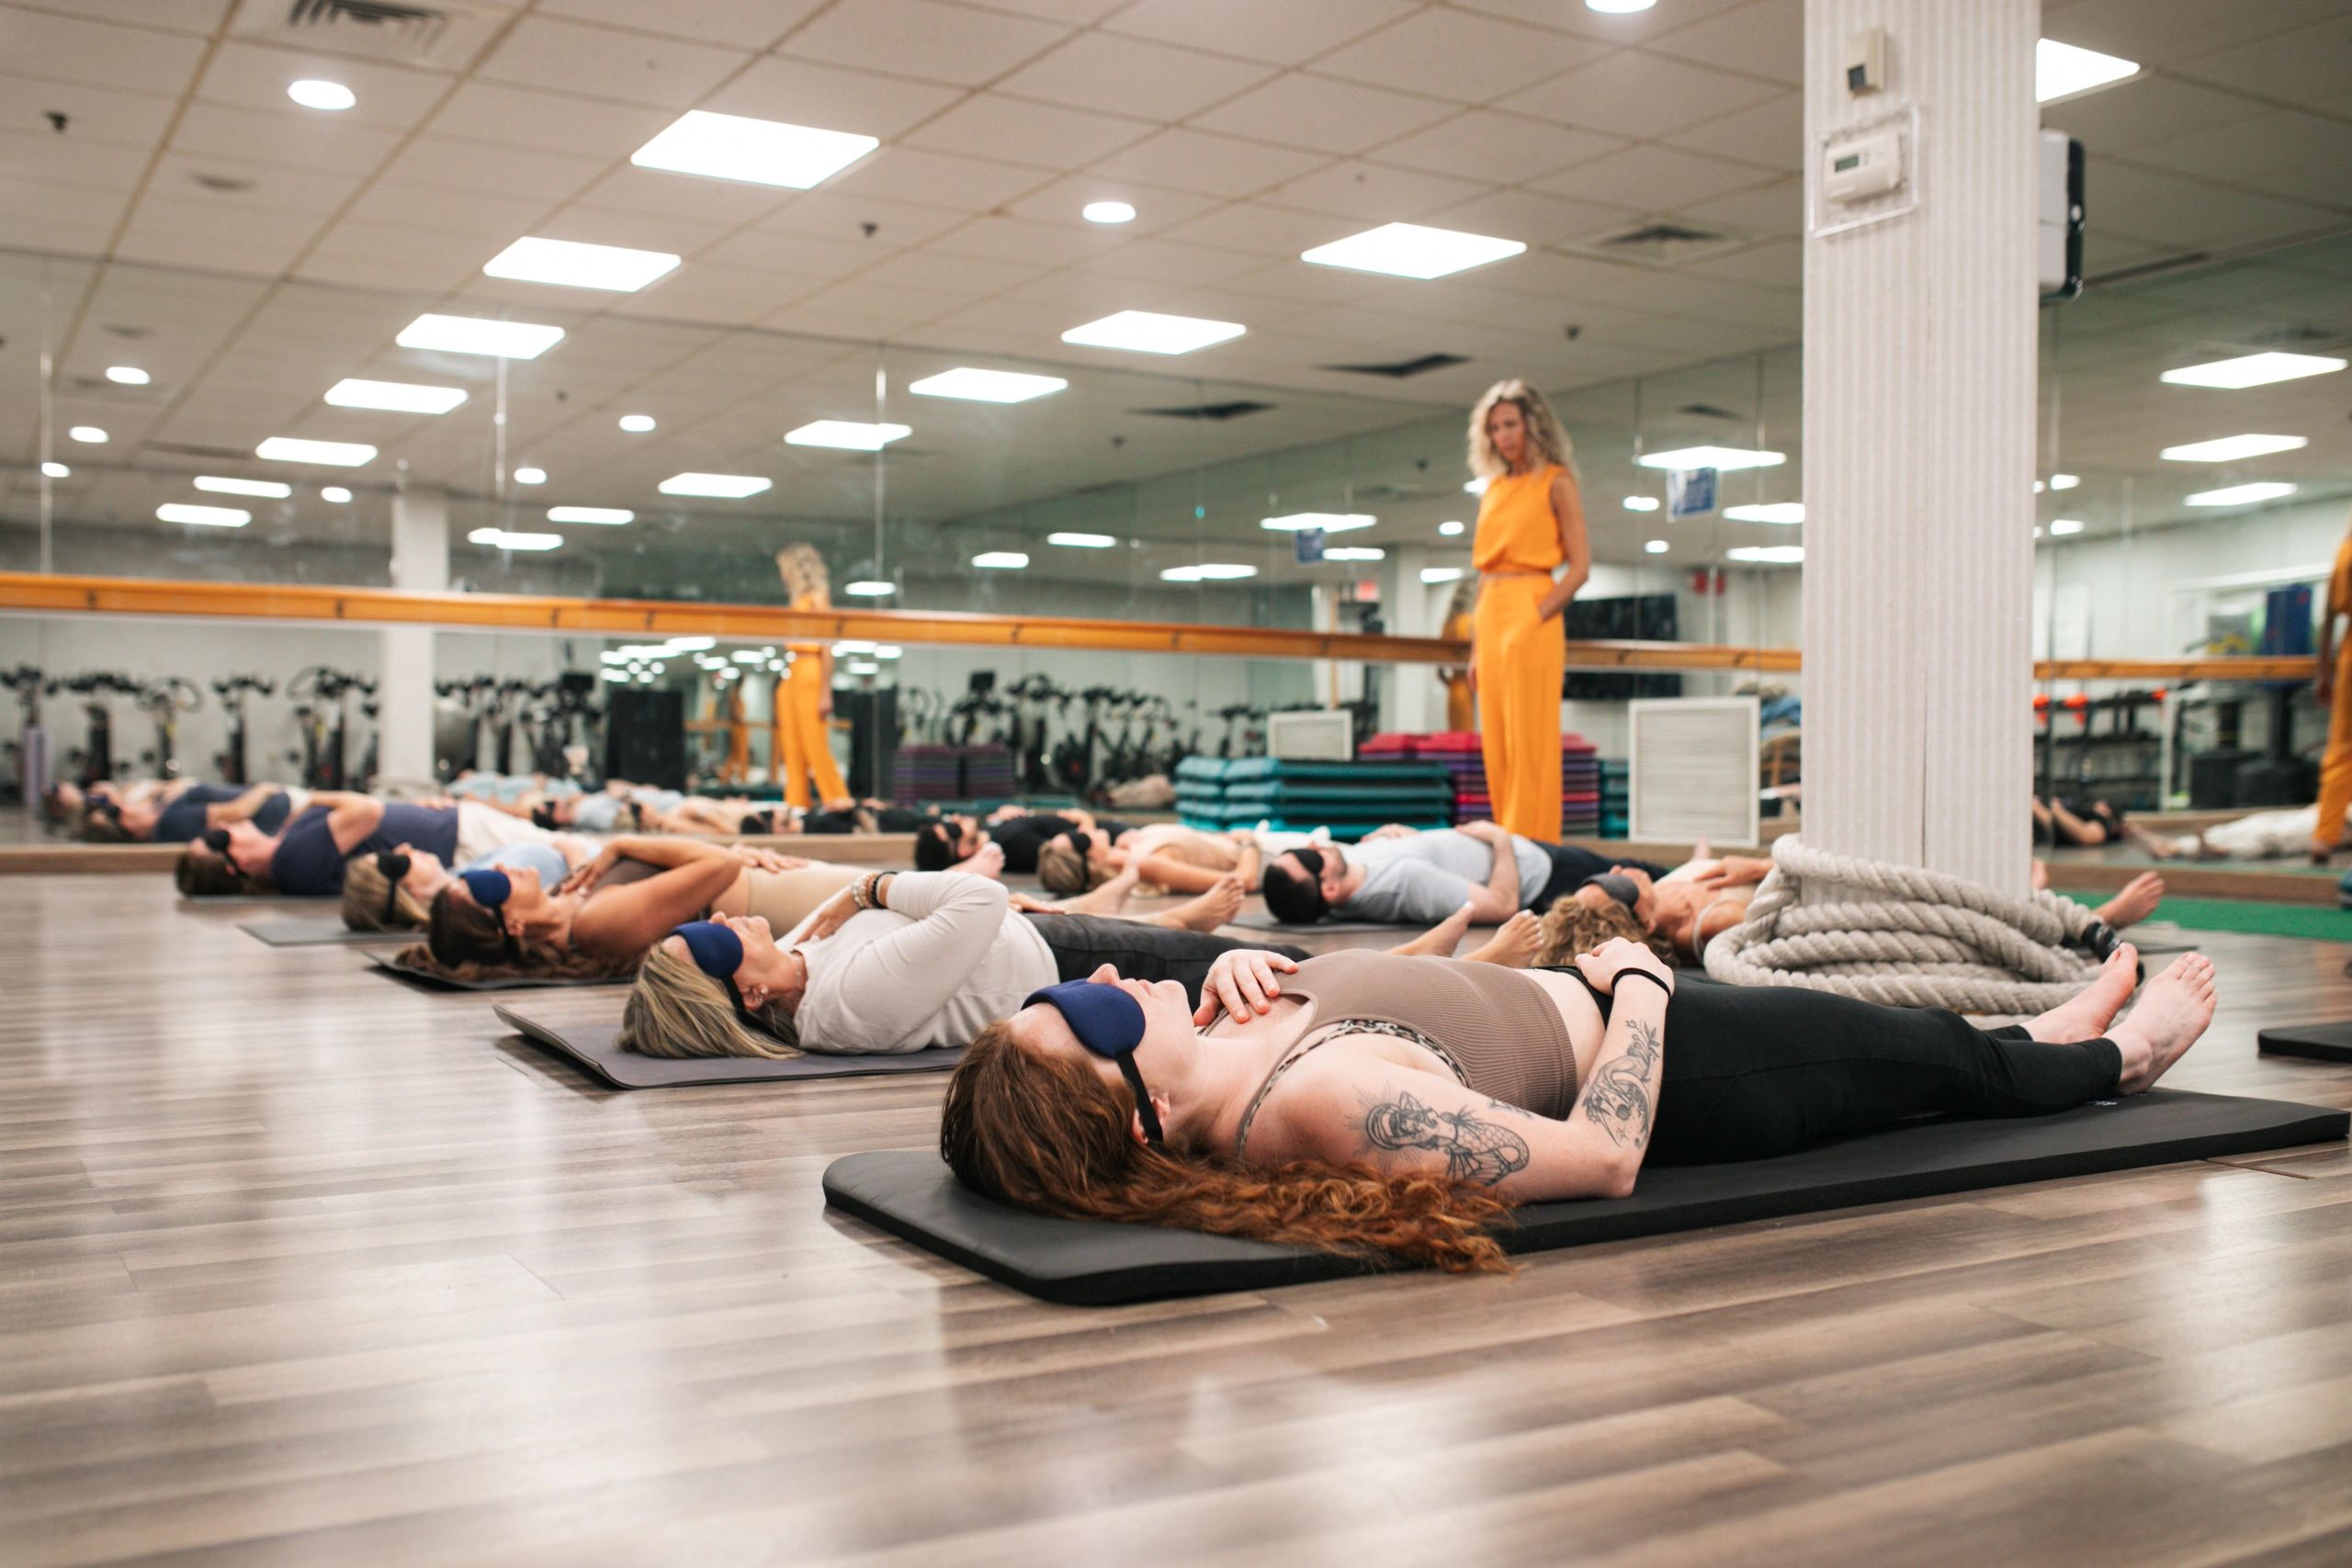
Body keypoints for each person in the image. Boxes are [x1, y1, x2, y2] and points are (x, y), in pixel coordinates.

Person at [938, 934, 2217, 1272]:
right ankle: (2117, 1061)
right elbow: (1605, 1155)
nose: (1107, 978)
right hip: (1695, 1065)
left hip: (1642, 1008)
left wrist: (1242, 981)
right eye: (1096, 1016)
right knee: (1932, 1068)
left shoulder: (1223, 1036)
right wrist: (1649, 989)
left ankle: (2035, 1033)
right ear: (1139, 1112)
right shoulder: (1322, 1104)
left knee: (1932, 1045)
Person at [617, 869, 1543, 1062]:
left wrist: (841, 912)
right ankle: (1473, 970)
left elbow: (955, 914)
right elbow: (973, 900)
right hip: (1072, 958)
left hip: (1040, 939)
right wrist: (867, 886)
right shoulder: (844, 1000)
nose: (725, 920)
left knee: (1271, 961)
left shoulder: (805, 975)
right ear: (742, 992)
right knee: (1274, 972)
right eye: (711, 940)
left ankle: (1422, 959)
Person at [1466, 379, 1589, 842]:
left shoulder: (1556, 481)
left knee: (1529, 739)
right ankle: (1504, 840)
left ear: (1533, 425)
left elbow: (1579, 568)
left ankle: (1532, 846)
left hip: (1530, 607)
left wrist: (1536, 615)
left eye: (1512, 424)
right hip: (1491, 610)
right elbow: (1484, 570)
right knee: (1496, 741)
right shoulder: (1494, 488)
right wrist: (1477, 647)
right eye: (1496, 428)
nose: (1504, 436)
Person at [1261, 822, 1669, 928]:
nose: (1316, 846)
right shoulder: (1407, 885)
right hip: (1546, 874)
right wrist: (1500, 840)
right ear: (1329, 888)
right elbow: (1502, 905)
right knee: (1657, 882)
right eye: (1310, 858)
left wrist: (1400, 839)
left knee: (1649, 871)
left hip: (1536, 856)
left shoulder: (1353, 870)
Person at [173, 791, 535, 897]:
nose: (223, 825)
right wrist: (314, 799)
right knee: (571, 849)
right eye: (218, 838)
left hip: (456, 830)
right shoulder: (292, 859)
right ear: (236, 863)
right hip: (462, 837)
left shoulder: (290, 853)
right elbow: (366, 811)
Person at [339, 831, 590, 932]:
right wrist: (574, 852)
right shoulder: (488, 894)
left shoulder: (463, 871)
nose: (404, 849)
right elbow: (567, 905)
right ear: (409, 894)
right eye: (396, 864)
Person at [775, 544, 854, 814]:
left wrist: (825, 691)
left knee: (814, 744)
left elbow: (827, 645)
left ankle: (838, 802)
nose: (783, 576)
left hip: (810, 670)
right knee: (792, 745)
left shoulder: (817, 596)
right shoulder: (798, 599)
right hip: (792, 671)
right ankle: (796, 804)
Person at [1036, 823, 1264, 898]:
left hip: (1251, 842)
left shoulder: (1129, 846)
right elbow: (1244, 881)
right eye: (1082, 837)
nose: (1087, 829)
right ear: (1091, 858)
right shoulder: (1147, 865)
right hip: (1264, 855)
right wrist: (1248, 841)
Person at [913, 807, 1135, 876]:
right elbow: (1071, 851)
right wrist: (1086, 820)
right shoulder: (1013, 845)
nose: (957, 818)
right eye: (953, 828)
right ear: (960, 850)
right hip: (1119, 837)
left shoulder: (993, 828)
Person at [79, 779, 300, 843]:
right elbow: (236, 813)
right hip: (285, 808)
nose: (125, 805)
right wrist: (265, 788)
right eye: (117, 811)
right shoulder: (172, 822)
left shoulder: (164, 816)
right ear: (127, 825)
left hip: (281, 806)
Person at [2316, 507, 2352, 863]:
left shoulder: (2343, 553)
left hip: (2347, 657)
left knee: (2341, 750)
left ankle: (2324, 836)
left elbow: (2327, 617)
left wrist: (2323, 672)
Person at [1437, 577, 1478, 735]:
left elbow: (1440, 671)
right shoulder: (1468, 623)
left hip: (1455, 687)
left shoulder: (1449, 623)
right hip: (1466, 686)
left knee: (1455, 734)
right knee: (1465, 735)